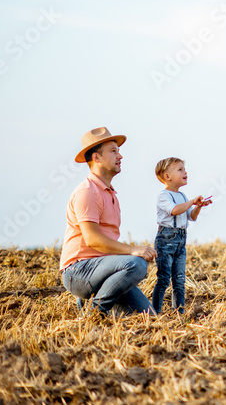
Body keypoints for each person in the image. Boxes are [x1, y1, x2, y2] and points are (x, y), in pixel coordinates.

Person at [59, 127, 157, 316]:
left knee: (148, 318)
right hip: (78, 271)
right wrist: (133, 250)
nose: (120, 156)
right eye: (113, 151)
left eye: (118, 151)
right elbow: (92, 239)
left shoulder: (110, 193)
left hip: (102, 269)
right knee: (136, 264)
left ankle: (89, 302)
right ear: (96, 158)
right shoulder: (87, 192)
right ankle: (95, 312)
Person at [151, 157, 212, 315]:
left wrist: (197, 206)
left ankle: (179, 312)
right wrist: (192, 201)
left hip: (180, 240)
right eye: (180, 170)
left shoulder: (183, 196)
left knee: (179, 280)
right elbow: (175, 210)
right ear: (167, 176)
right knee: (164, 278)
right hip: (166, 239)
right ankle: (155, 311)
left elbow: (191, 216)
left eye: (184, 169)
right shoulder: (164, 196)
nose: (185, 172)